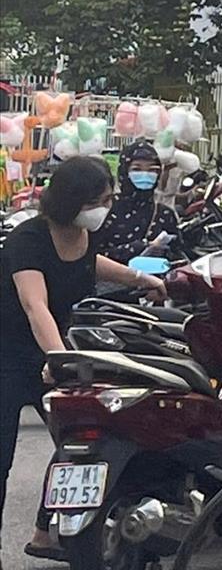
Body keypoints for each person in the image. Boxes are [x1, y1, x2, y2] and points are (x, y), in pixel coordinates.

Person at [2, 156, 166, 558]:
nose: (104, 209)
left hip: (51, 352)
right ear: (71, 199)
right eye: (98, 201)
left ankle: (45, 532)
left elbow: (90, 264)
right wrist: (60, 358)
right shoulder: (28, 239)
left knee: (80, 441)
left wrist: (140, 277)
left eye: (108, 200)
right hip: (10, 354)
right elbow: (34, 305)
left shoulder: (84, 233)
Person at [95, 138, 183, 266]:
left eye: (152, 170)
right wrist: (139, 247)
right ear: (124, 171)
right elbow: (91, 257)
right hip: (112, 278)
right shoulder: (106, 208)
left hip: (155, 278)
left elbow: (177, 255)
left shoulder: (164, 214)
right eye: (137, 169)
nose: (145, 174)